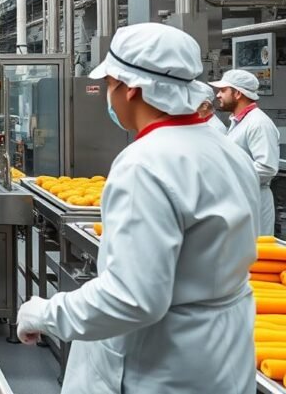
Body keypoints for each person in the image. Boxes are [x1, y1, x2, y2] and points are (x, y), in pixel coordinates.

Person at [16, 23, 260, 394]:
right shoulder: (226, 150)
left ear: (131, 89)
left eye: (110, 85)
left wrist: (45, 313)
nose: (107, 96)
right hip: (221, 358)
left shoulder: (145, 164)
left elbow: (131, 299)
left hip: (161, 366)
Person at [211, 69, 281, 236]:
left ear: (237, 93)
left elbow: (267, 168)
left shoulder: (258, 123)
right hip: (242, 200)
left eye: (223, 90)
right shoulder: (240, 122)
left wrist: (227, 175)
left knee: (255, 257)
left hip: (254, 201)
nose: (218, 95)